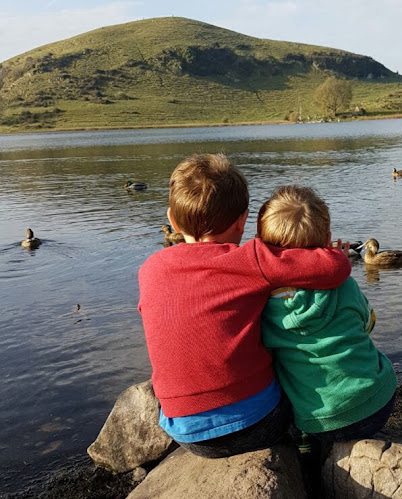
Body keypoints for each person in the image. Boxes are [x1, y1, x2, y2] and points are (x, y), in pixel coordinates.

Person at [138, 154, 352, 458]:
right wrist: (338, 253)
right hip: (258, 424)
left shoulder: (150, 270)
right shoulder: (248, 259)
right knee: (287, 358)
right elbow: (332, 269)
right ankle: (305, 447)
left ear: (172, 220)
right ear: (243, 221)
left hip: (186, 434)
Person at [258, 185, 397, 448]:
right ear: (328, 240)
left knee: (283, 369)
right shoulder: (344, 286)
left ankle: (304, 444)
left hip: (318, 424)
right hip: (377, 405)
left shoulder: (263, 302)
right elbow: (369, 324)